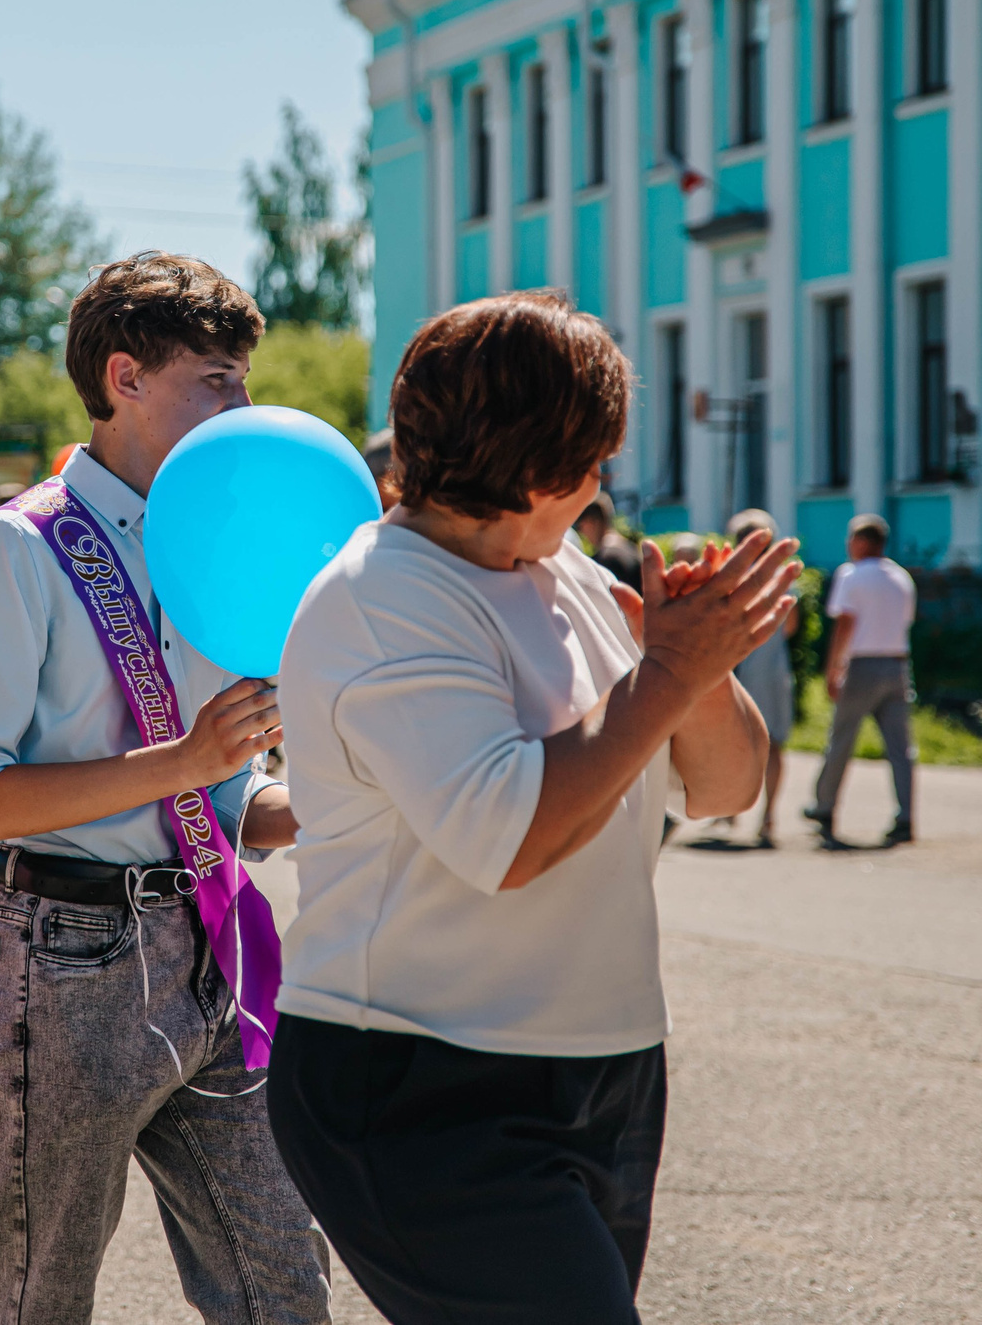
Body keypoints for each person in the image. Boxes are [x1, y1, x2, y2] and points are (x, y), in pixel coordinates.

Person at [268, 291, 793, 1325]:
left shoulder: (567, 575)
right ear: (546, 471)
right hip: (418, 1085)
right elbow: (511, 839)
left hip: (603, 1071)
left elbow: (727, 790)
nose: (604, 481)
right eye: (596, 456)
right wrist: (661, 680)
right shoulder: (382, 598)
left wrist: (692, 671)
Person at [0, 251, 327, 1325]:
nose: (244, 405)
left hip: (213, 949)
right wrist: (184, 764)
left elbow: (231, 807)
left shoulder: (225, 547)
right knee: (35, 1295)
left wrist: (346, 800)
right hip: (62, 955)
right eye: (217, 379)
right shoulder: (16, 547)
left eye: (245, 378)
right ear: (123, 378)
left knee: (281, 1283)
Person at [805, 513, 918, 847]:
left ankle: (824, 807)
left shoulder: (851, 575)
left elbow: (845, 624)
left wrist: (832, 669)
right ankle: (906, 816)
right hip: (897, 665)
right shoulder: (901, 577)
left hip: (862, 666)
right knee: (901, 749)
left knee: (841, 739)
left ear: (862, 541)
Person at [725, 508, 797, 848]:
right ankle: (768, 817)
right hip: (775, 668)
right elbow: (791, 628)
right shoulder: (783, 578)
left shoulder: (731, 578)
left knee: (736, 740)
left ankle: (729, 804)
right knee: (775, 744)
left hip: (739, 667)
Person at [575, 490, 643, 584]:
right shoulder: (631, 547)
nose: (581, 533)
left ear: (593, 522)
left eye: (580, 526)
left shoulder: (604, 559)